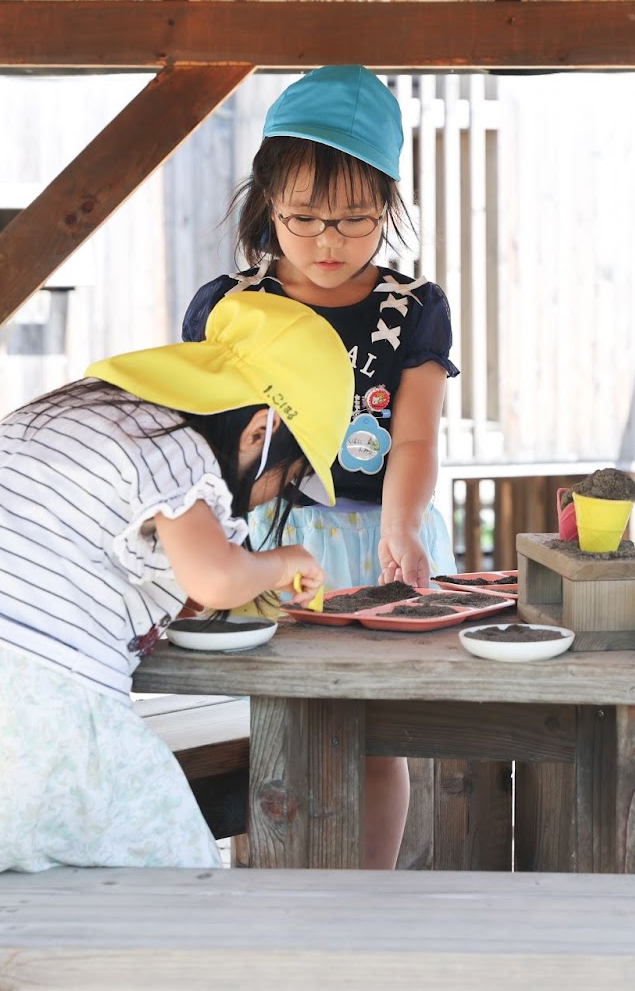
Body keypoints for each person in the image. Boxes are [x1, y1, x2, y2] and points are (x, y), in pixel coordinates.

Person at [0, 291, 354, 967]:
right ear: (262, 430)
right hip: (36, 703)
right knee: (176, 878)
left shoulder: (73, 410)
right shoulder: (178, 450)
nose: (267, 498)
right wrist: (285, 561)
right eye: (283, 484)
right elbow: (215, 579)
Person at [182, 65, 458, 869]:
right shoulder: (229, 302)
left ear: (389, 204)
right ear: (267, 201)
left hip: (382, 541)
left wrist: (403, 528)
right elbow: (209, 446)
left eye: (354, 219)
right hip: (269, 544)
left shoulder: (414, 307)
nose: (328, 241)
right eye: (303, 218)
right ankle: (272, 907)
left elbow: (413, 441)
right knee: (273, 729)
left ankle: (364, 906)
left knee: (377, 744)